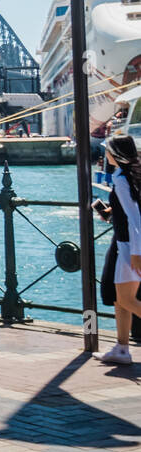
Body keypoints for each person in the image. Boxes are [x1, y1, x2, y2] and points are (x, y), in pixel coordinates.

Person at [93, 133, 141, 365]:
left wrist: (136, 253)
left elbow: (135, 219)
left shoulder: (122, 178)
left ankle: (122, 348)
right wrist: (112, 213)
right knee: (119, 299)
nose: (106, 153)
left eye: (108, 150)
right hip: (125, 243)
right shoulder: (132, 174)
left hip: (128, 246)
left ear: (115, 154)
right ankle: (122, 348)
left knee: (127, 299)